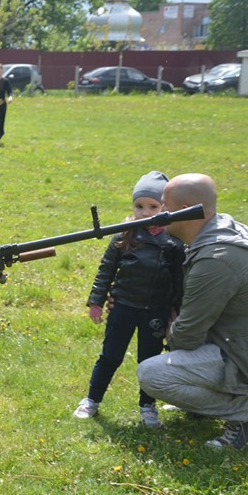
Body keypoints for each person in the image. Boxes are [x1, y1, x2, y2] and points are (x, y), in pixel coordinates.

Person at [137, 173, 248, 450]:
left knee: (152, 374)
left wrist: (173, 329)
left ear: (187, 210)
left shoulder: (215, 258)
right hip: (247, 342)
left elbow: (186, 336)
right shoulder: (218, 232)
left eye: (165, 206)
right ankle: (204, 404)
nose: (159, 213)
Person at [74, 171, 185, 428]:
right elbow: (106, 271)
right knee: (110, 355)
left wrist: (176, 312)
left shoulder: (174, 243)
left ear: (165, 207)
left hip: (155, 312)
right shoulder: (124, 236)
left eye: (153, 206)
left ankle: (147, 406)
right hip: (123, 307)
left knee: (150, 360)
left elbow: (179, 282)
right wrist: (95, 302)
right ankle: (92, 399)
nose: (145, 212)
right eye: (139, 206)